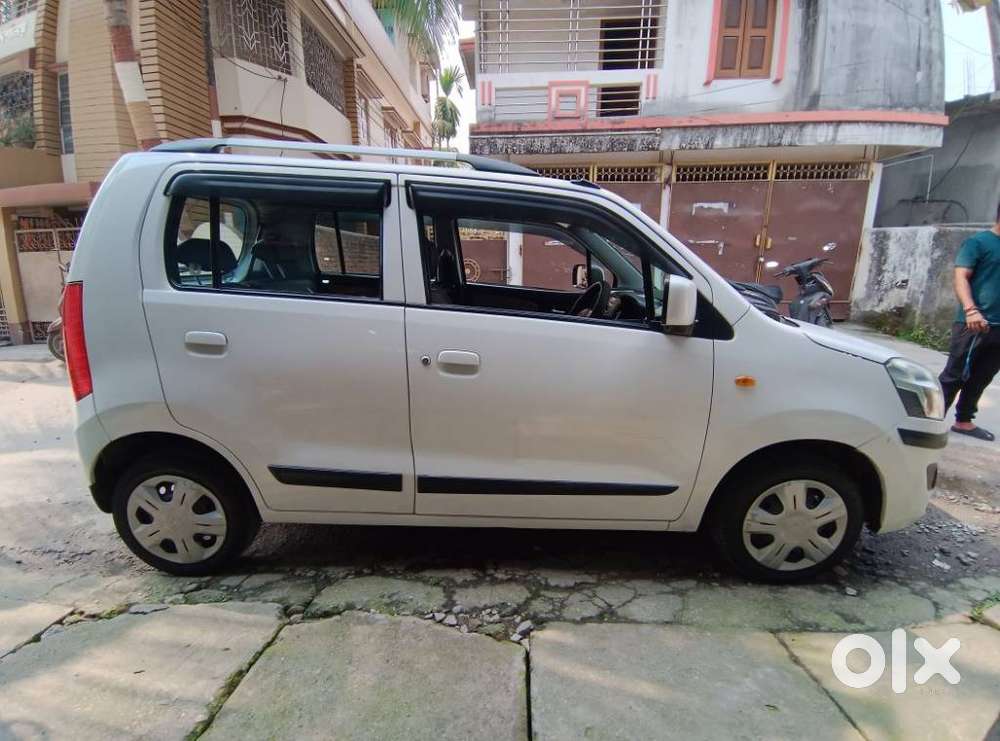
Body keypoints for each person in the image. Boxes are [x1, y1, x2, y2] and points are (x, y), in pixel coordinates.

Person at [938, 202, 1000, 441]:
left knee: (983, 376)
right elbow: (960, 276)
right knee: (954, 375)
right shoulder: (979, 243)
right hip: (972, 324)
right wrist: (971, 310)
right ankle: (930, 420)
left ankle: (964, 420)